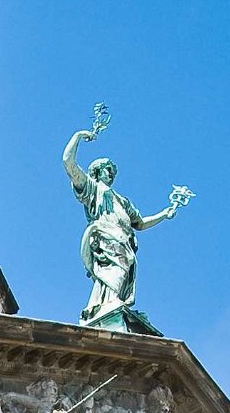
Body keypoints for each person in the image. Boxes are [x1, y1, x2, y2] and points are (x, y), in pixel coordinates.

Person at [63, 107, 193, 332]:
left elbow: (140, 223)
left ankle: (108, 303)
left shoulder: (122, 200)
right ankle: (110, 303)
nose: (111, 174)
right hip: (105, 234)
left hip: (124, 238)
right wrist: (79, 136)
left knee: (126, 264)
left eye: (112, 171)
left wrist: (164, 214)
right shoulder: (91, 188)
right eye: (107, 170)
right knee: (121, 264)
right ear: (97, 172)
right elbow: (68, 162)